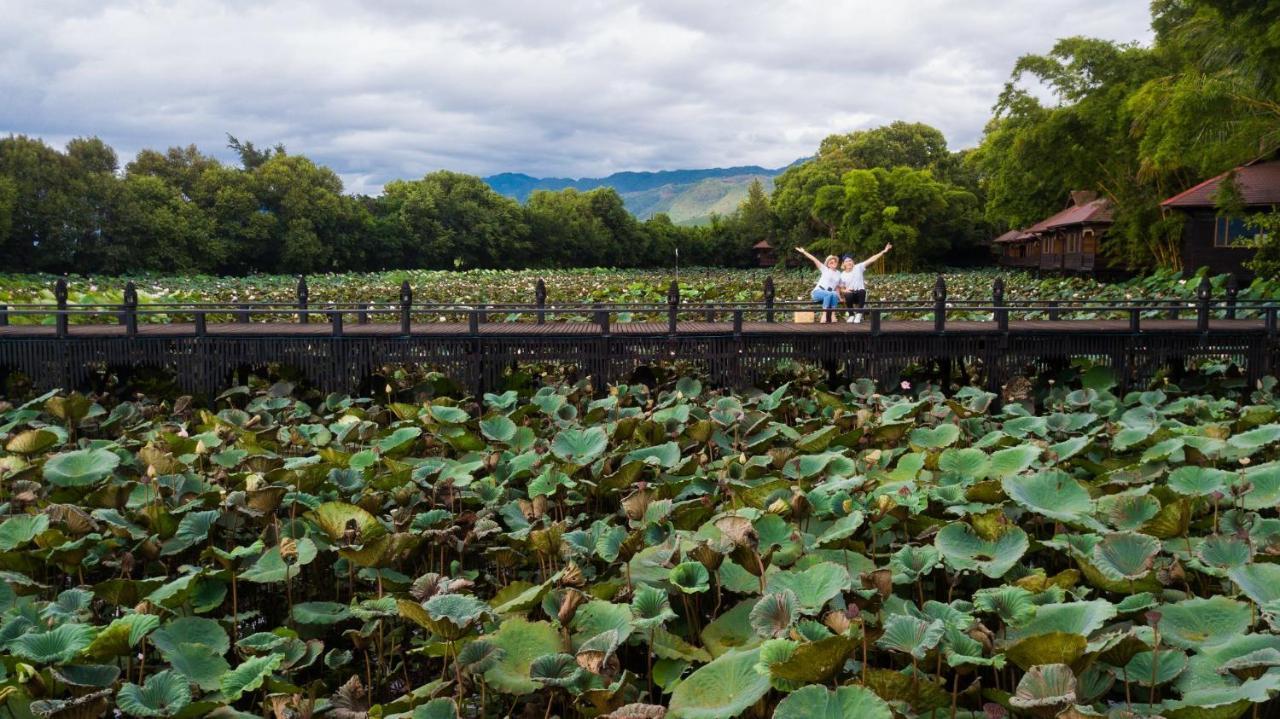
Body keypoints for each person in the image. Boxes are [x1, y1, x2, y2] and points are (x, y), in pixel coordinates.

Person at [838, 243, 892, 323]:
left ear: (853, 262)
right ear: (844, 264)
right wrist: (845, 290)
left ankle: (859, 315)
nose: (849, 262)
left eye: (850, 261)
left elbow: (872, 259)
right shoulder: (842, 275)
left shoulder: (858, 267)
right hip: (851, 296)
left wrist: (884, 251)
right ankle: (851, 315)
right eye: (847, 261)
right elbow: (841, 288)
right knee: (848, 294)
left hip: (860, 295)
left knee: (862, 291)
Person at [795, 247, 842, 323]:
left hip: (829, 294)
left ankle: (833, 315)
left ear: (837, 263)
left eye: (834, 262)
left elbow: (837, 287)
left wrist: (839, 297)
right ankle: (824, 316)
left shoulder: (839, 273)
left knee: (834, 293)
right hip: (818, 292)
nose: (833, 263)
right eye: (831, 262)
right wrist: (804, 252)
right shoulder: (825, 269)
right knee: (830, 294)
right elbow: (814, 259)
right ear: (828, 265)